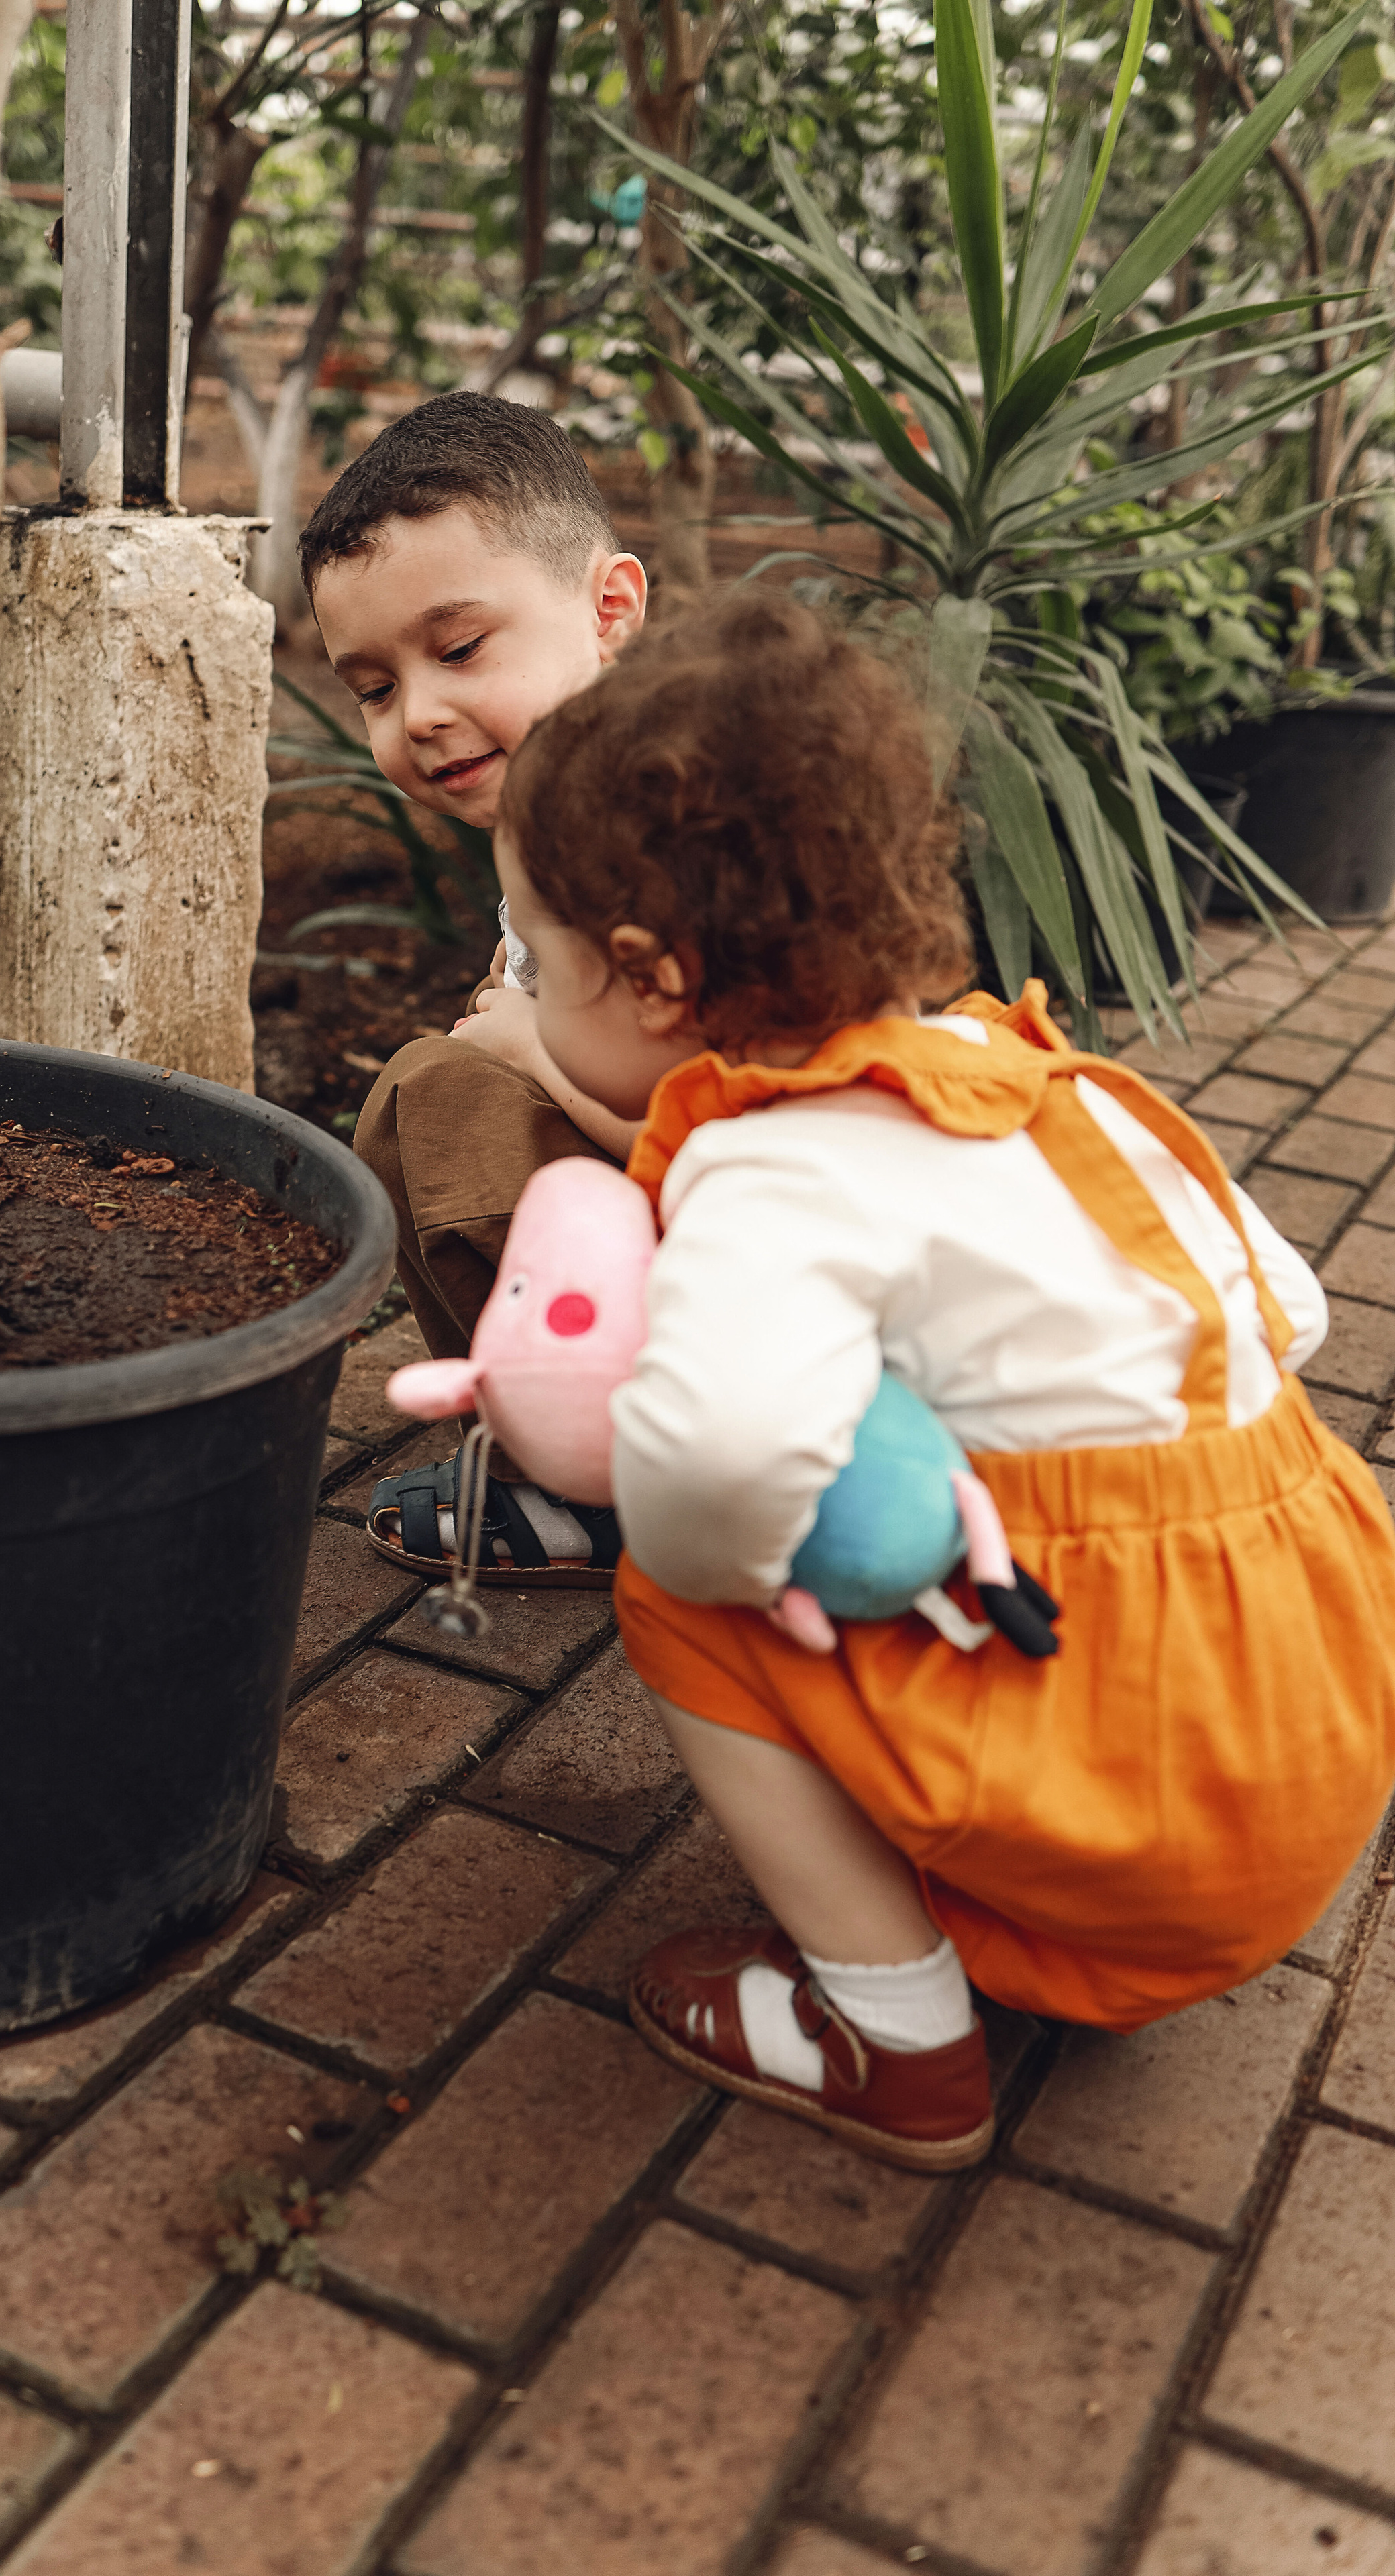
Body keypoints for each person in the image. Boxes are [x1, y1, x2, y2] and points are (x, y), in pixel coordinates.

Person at [488, 584, 1395, 2174]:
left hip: (1145, 1814)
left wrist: (680, 1511)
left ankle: (892, 2038)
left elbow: (713, 1475)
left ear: (645, 976)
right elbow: (1295, 1316)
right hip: (1304, 1738)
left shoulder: (774, 1171)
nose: (520, 994)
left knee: (680, 1593)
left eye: (532, 963)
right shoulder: (1035, 1077)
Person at [300, 390, 648, 1587]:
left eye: (457, 652)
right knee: (439, 1094)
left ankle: (603, 1486)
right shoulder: (568, 823)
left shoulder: (668, 846)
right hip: (716, 1253)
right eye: (375, 688)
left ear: (609, 611)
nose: (422, 715)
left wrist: (529, 1049)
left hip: (783, 1266)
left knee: (433, 1101)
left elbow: (750, 1130)